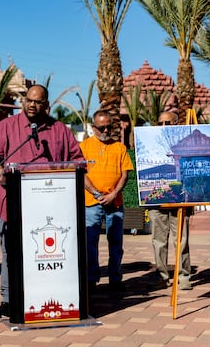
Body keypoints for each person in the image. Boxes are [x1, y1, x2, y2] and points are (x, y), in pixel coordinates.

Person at [0, 84, 84, 317]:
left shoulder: (59, 130)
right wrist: (0, 175)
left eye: (38, 102)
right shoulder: (7, 126)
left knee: (47, 252)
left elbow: (76, 160)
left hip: (49, 206)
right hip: (12, 202)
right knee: (11, 252)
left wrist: (64, 172)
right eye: (29, 100)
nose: (32, 104)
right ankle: (8, 298)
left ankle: (45, 294)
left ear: (46, 105)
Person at [80, 109, 133, 292]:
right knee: (90, 243)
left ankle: (115, 278)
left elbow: (125, 174)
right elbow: (81, 174)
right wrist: (96, 194)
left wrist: (113, 194)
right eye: (101, 128)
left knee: (116, 243)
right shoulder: (84, 147)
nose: (105, 131)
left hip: (115, 203)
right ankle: (91, 279)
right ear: (93, 127)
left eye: (109, 127)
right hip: (90, 203)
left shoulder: (120, 147)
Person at [148, 111, 193, 290]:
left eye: (168, 123)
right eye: (161, 123)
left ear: (176, 124)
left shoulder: (186, 143)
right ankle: (162, 275)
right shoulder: (152, 143)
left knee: (181, 239)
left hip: (180, 199)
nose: (164, 127)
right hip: (157, 200)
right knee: (158, 240)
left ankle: (184, 276)